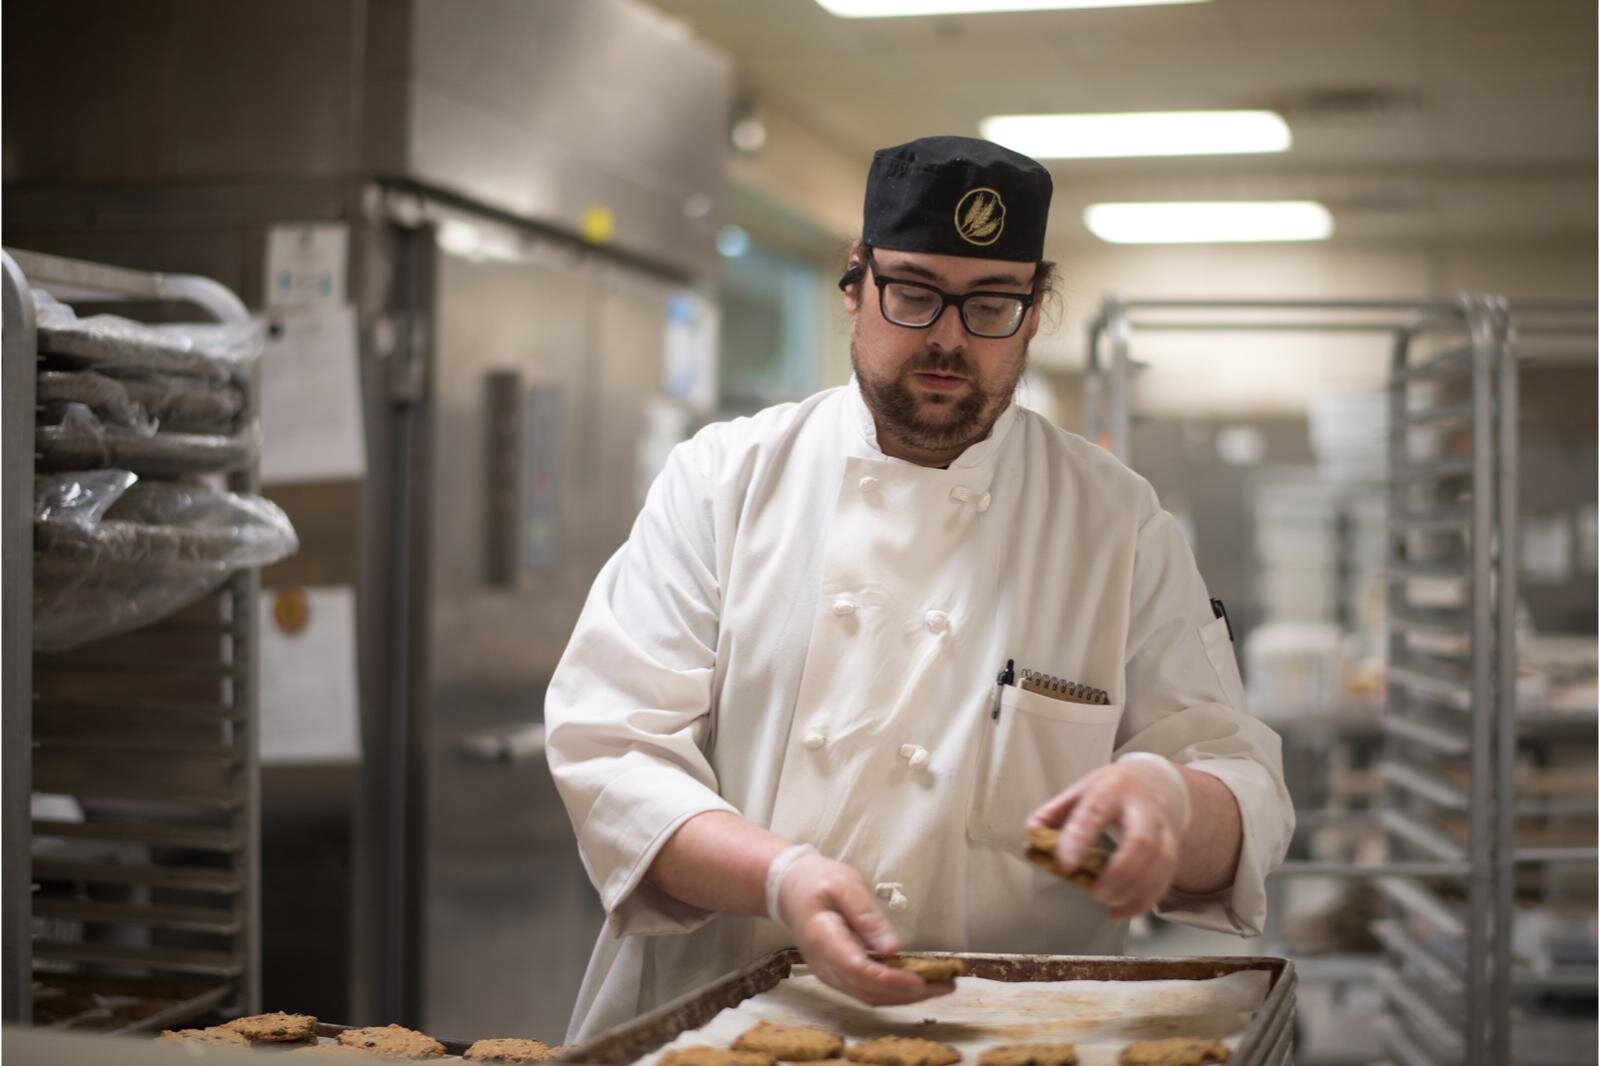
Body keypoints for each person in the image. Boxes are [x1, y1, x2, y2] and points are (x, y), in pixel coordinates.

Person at [545, 135, 1293, 1042]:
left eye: (991, 304)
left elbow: (1239, 777)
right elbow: (612, 750)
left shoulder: (1114, 522)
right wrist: (777, 878)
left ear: (1035, 309)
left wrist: (1170, 803)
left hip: (1007, 1042)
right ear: (855, 284)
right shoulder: (723, 480)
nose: (946, 337)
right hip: (721, 1018)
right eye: (914, 293)